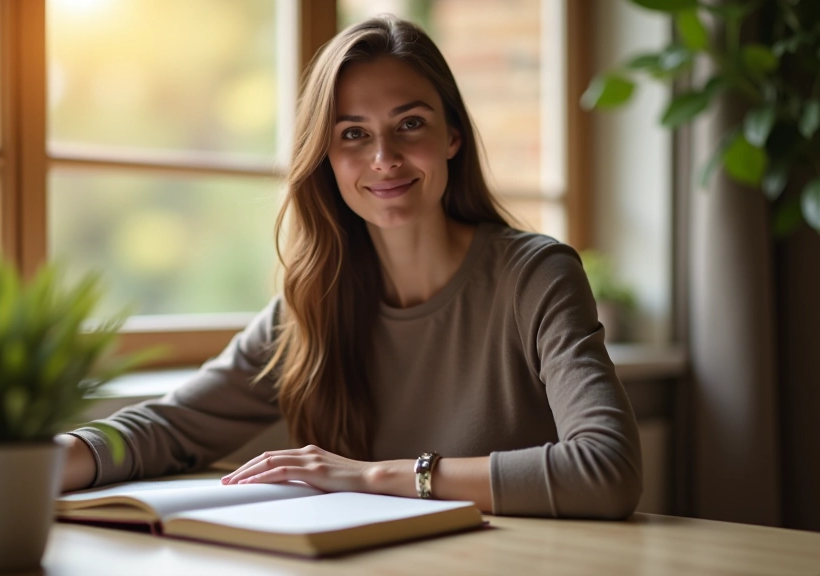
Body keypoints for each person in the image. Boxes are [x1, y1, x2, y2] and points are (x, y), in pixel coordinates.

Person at [58, 15, 642, 519]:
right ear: (326, 159)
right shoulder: (315, 298)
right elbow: (172, 427)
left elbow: (606, 469)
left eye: (410, 123)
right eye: (353, 134)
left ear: (452, 137)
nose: (384, 158)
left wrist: (373, 476)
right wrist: (50, 460)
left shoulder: (536, 276)